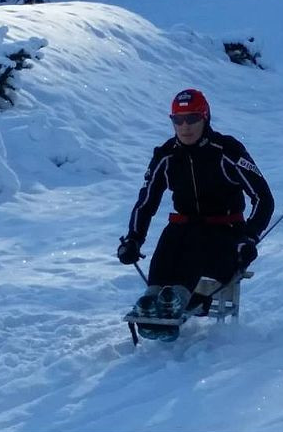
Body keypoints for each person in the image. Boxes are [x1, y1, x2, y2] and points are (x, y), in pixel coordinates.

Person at [117, 88, 274, 337]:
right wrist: (133, 239)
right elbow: (146, 201)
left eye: (192, 118)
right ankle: (153, 298)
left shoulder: (227, 151)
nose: (185, 126)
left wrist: (250, 237)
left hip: (226, 231)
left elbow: (263, 199)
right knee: (172, 240)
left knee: (198, 242)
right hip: (183, 228)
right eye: (177, 120)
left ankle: (178, 298)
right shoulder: (166, 155)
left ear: (205, 118)